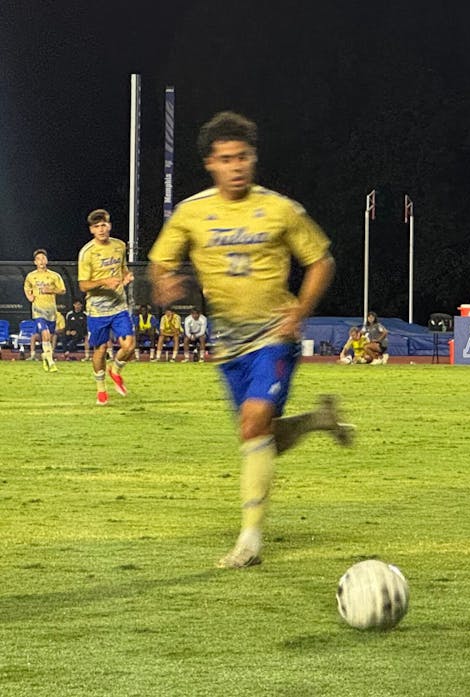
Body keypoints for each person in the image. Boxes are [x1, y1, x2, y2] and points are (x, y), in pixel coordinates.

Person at [149, 110, 353, 570]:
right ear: (210, 164)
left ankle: (250, 540)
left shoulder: (281, 209)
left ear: (253, 158)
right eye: (225, 158)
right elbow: (161, 261)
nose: (236, 166)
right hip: (228, 343)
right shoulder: (191, 213)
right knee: (261, 436)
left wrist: (299, 310)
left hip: (274, 334)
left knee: (253, 424)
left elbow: (321, 260)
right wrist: (162, 281)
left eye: (243, 157)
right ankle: (319, 419)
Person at [78, 209, 136, 404]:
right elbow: (83, 284)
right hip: (97, 310)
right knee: (100, 349)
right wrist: (104, 281)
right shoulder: (87, 253)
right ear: (91, 230)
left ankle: (116, 370)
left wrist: (126, 277)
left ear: (109, 225)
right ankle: (101, 388)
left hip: (119, 306)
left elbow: (123, 269)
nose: (101, 229)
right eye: (96, 226)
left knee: (129, 345)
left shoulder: (119, 246)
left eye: (104, 225)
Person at [23, 248, 67, 371]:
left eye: (43, 258)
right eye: (38, 259)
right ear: (35, 262)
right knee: (45, 333)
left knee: (49, 336)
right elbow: (27, 287)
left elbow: (63, 290)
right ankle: (51, 361)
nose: (41, 261)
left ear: (46, 260)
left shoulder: (54, 276)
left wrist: (51, 290)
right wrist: (29, 296)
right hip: (38, 310)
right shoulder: (31, 276)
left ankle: (45, 356)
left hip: (51, 311)